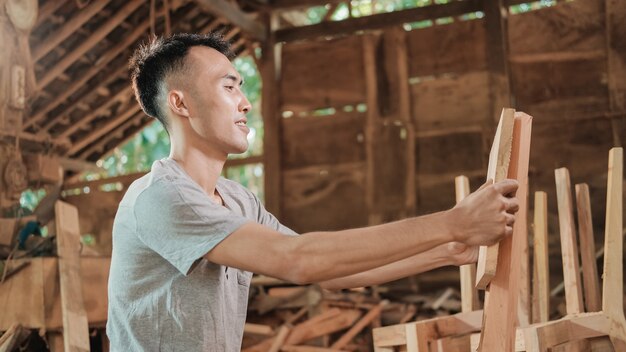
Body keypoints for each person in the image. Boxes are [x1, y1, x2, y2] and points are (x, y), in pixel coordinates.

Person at [106, 33, 519, 352]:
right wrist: (452, 221)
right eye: (229, 87)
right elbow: (299, 261)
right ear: (181, 104)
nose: (245, 102)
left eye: (241, 87)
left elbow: (335, 274)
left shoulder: (237, 200)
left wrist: (448, 248)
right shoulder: (161, 197)